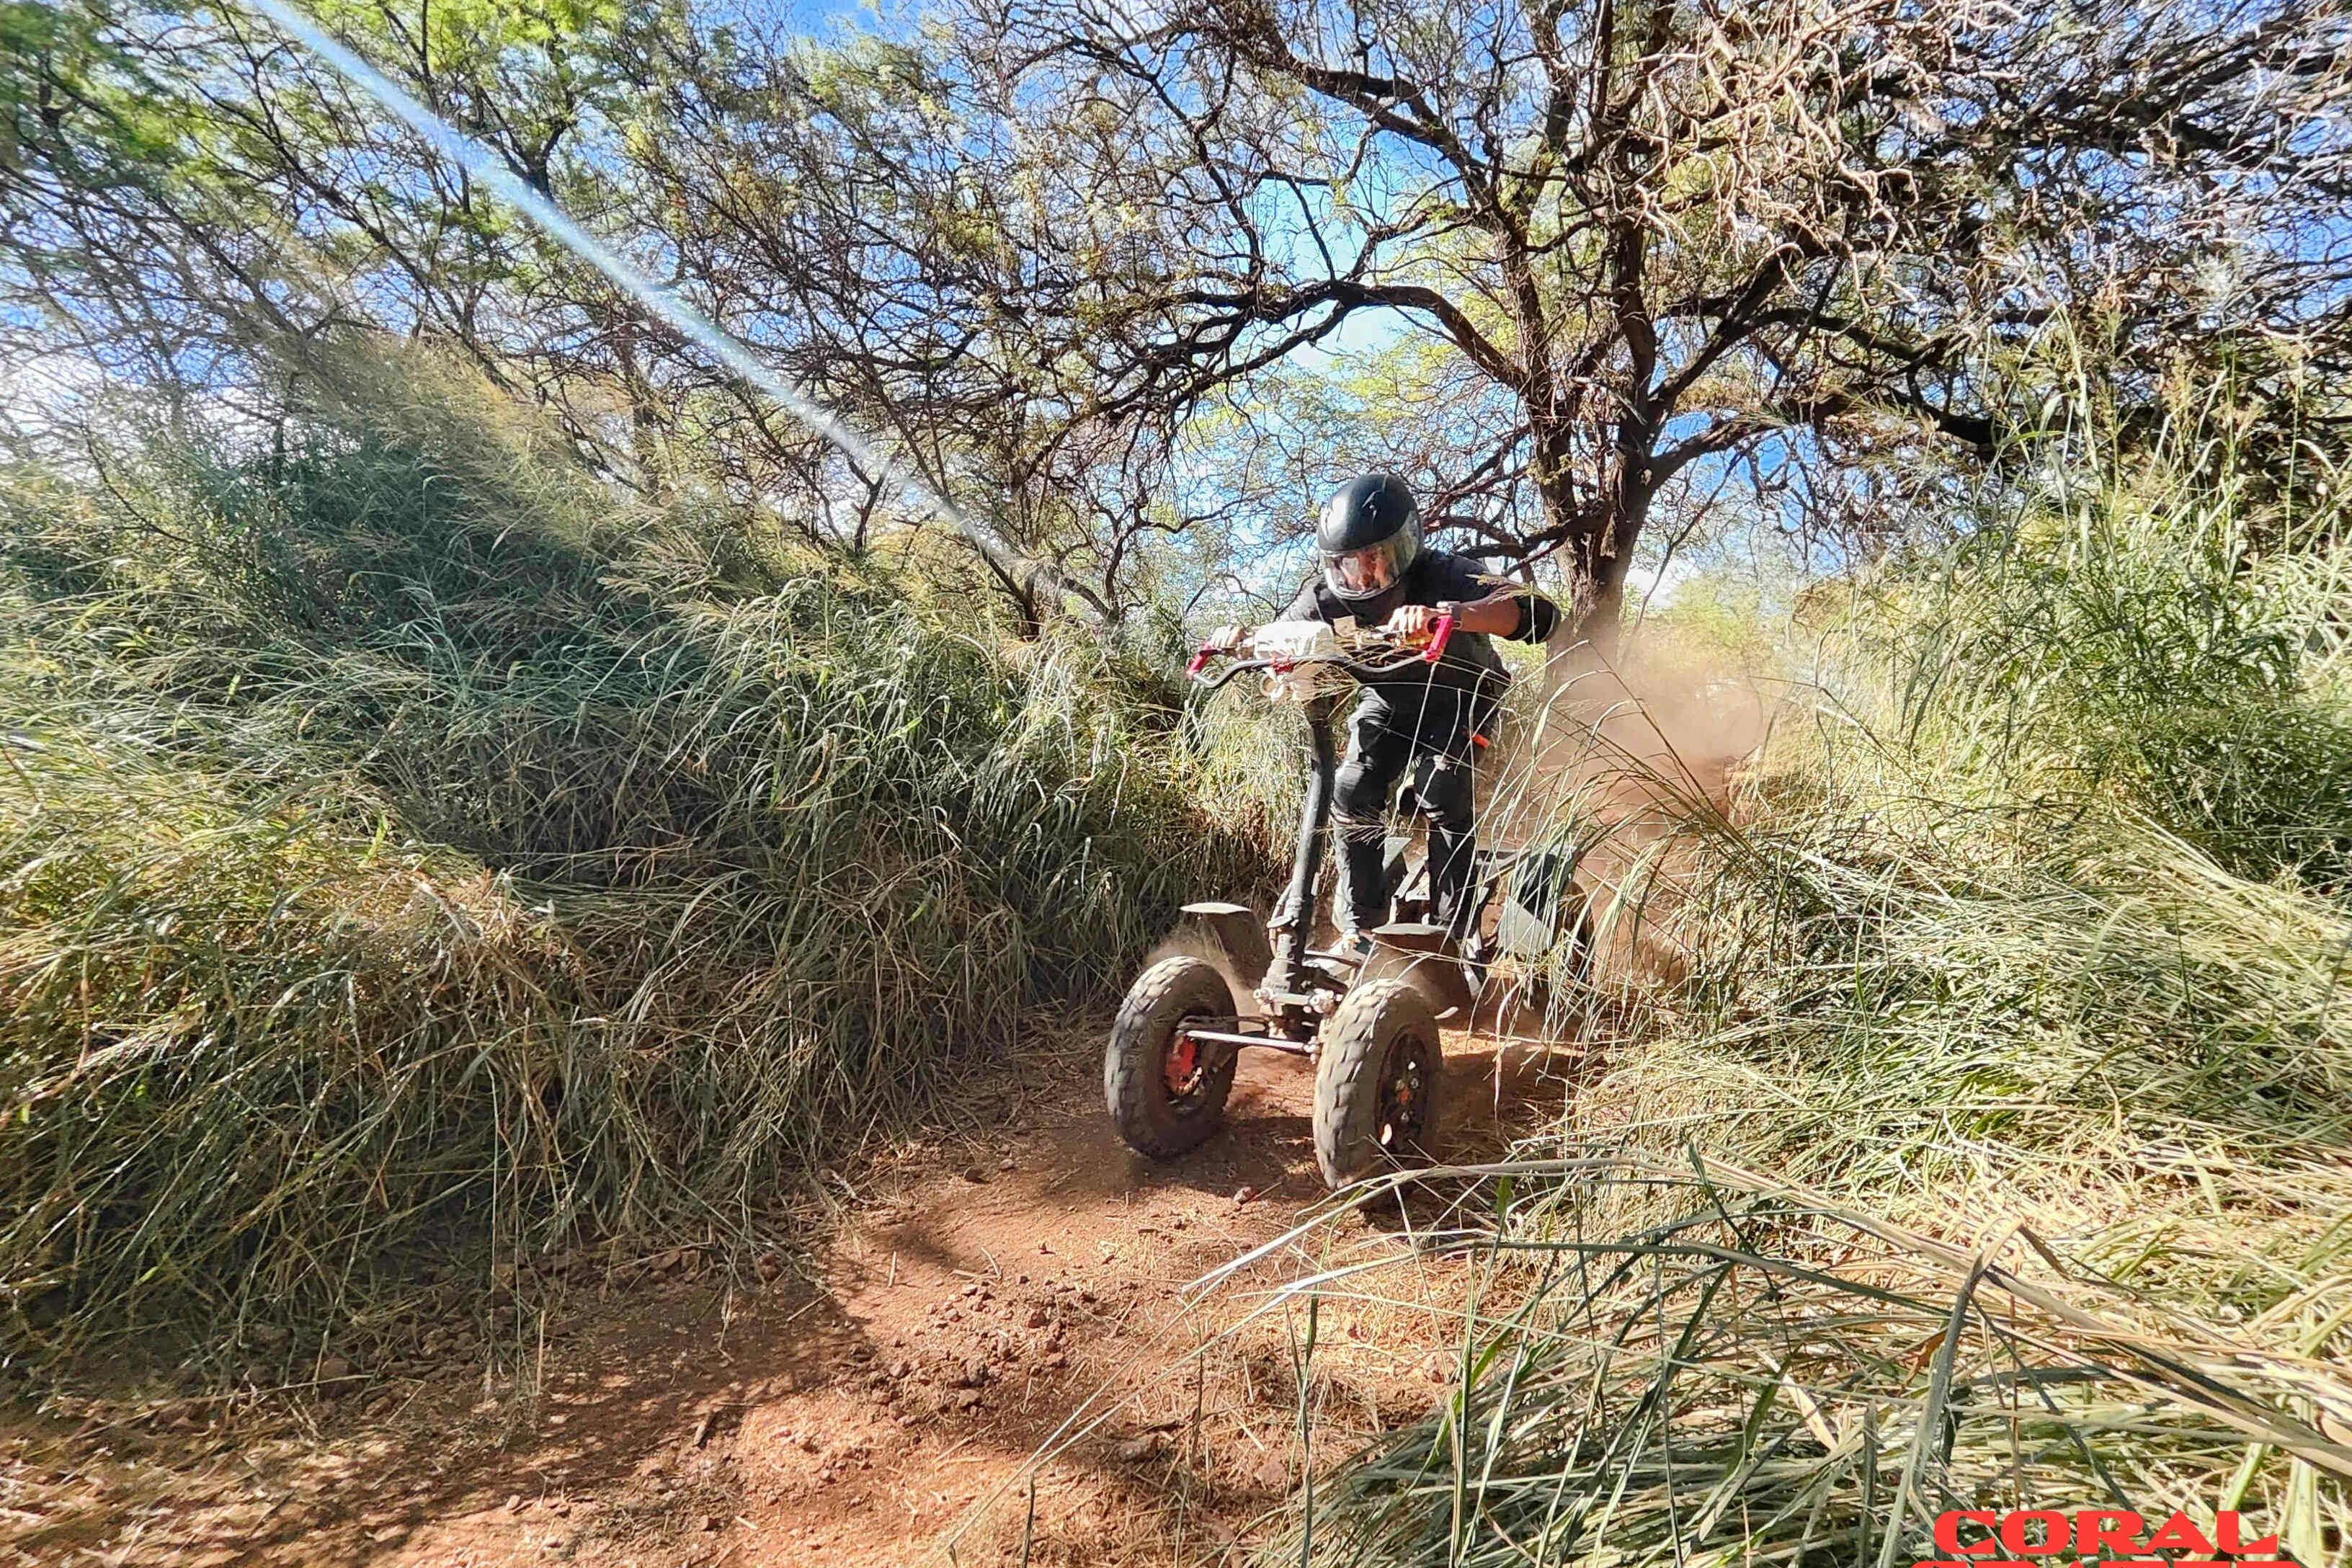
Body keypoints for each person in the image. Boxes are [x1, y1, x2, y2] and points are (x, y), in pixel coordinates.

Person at [1275, 473, 1560, 948]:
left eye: (1376, 559)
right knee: (1349, 789)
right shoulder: (1325, 600)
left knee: (1440, 789)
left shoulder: (1443, 573)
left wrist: (1453, 614)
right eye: (1348, 563)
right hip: (1388, 702)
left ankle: (1448, 933)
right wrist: (1241, 640)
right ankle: (1361, 927)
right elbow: (1282, 634)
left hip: (1465, 699)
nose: (1363, 575)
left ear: (1405, 547)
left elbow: (1539, 617)